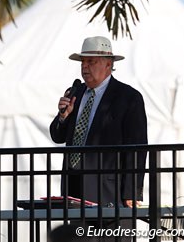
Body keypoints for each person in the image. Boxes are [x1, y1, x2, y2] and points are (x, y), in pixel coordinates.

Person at [49, 36, 148, 241]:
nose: (85, 67)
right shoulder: (77, 93)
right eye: (83, 62)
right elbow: (57, 136)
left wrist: (132, 191)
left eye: (91, 62)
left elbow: (137, 145)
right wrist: (63, 116)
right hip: (75, 187)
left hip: (110, 190)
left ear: (109, 64)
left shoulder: (128, 97)